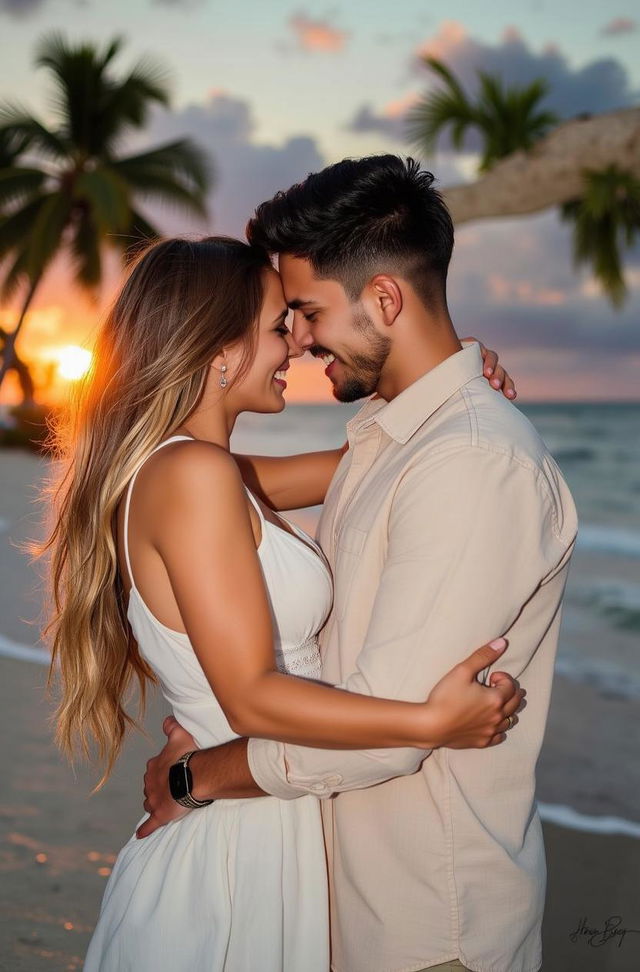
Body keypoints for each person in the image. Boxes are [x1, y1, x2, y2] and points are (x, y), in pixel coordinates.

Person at [141, 157, 578, 972]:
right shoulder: (388, 441)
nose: (298, 340)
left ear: (383, 300)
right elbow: (226, 500)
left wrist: (199, 775)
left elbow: (390, 727)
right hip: (337, 894)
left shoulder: (471, 463)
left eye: (305, 312)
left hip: (424, 924)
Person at [42, 234, 522, 972]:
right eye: (278, 327)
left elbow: (370, 463)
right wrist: (427, 722)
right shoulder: (193, 475)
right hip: (236, 852)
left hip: (260, 820)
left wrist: (452, 375)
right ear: (220, 352)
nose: (298, 342)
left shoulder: (204, 471)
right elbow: (253, 700)